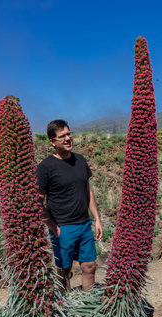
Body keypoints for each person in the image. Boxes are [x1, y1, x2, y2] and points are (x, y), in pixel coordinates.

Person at [36, 119, 103, 291]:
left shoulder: (80, 160)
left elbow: (88, 191)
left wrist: (96, 219)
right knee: (64, 270)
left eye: (69, 134)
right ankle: (63, 308)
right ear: (52, 141)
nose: (68, 138)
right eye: (62, 136)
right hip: (63, 227)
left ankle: (87, 305)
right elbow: (37, 202)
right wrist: (53, 227)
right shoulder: (45, 167)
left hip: (84, 224)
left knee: (89, 266)